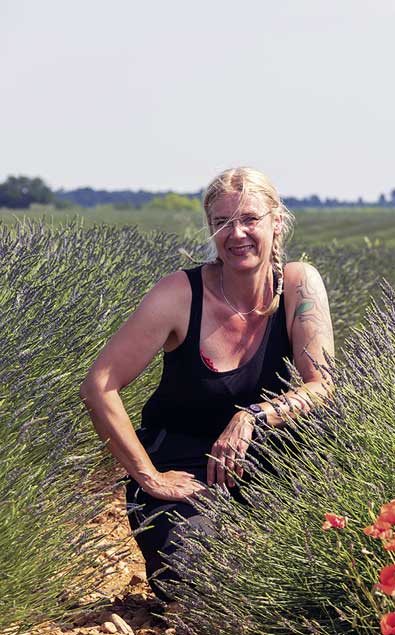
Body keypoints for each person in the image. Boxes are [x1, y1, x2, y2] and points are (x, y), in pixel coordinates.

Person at [81, 167, 335, 601]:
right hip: (184, 472)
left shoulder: (298, 283)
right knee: (207, 587)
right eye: (221, 222)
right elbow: (99, 384)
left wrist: (252, 415)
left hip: (263, 468)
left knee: (315, 572)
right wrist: (149, 477)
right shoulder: (180, 295)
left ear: (277, 222)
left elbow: (321, 384)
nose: (236, 233)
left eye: (249, 219)